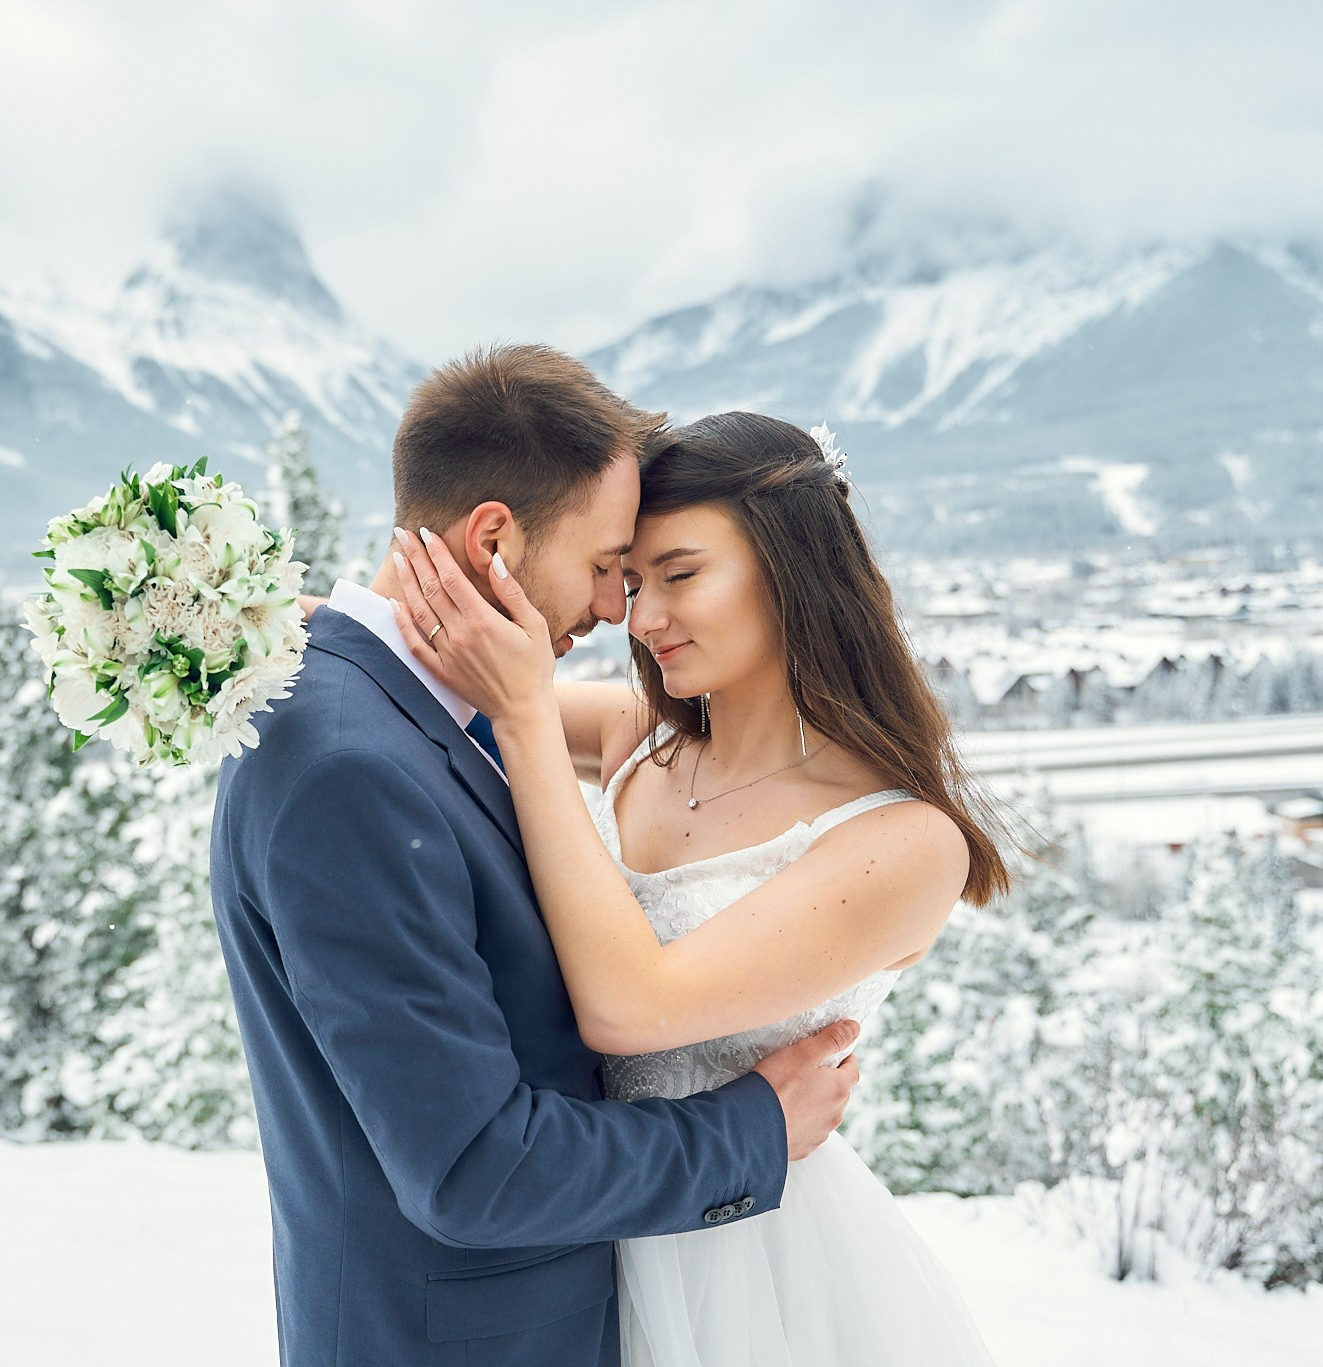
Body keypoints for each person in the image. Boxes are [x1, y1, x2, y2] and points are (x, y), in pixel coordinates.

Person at [209, 348, 863, 1367]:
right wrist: (754, 1132)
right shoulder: (352, 768)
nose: (614, 609)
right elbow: (475, 1168)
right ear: (492, 538)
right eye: (606, 565)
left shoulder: (399, 704)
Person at [388, 408, 1009, 1365]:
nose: (642, 619)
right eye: (633, 582)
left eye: (680, 576)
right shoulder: (640, 739)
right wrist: (242, 613)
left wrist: (524, 719)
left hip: (750, 1268)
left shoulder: (902, 841)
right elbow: (435, 659)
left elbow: (631, 1007)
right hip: (579, 1221)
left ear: (795, 569)